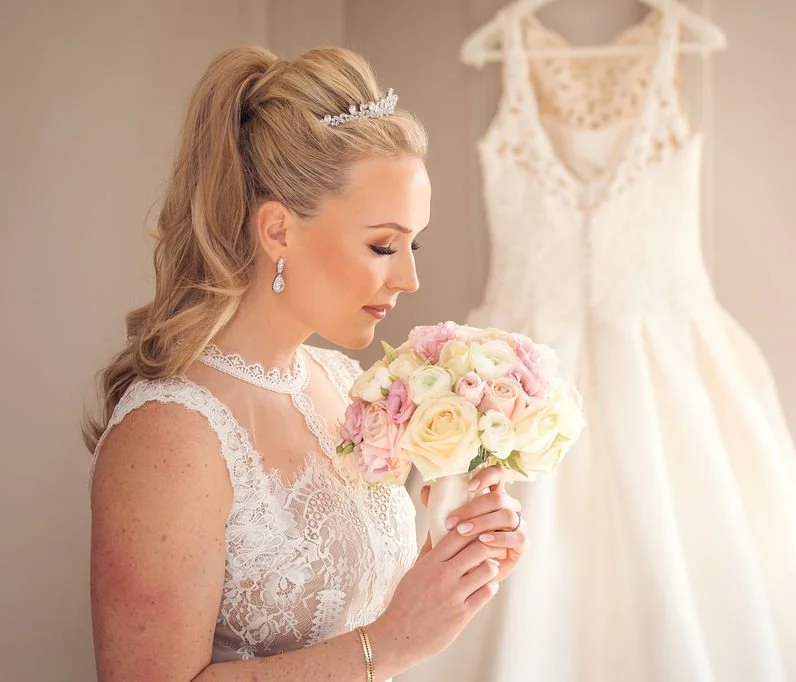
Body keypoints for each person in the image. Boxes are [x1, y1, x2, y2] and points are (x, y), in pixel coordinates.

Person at [84, 45, 527, 681]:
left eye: (415, 244)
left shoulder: (346, 385)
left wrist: (449, 560)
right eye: (384, 245)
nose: (409, 279)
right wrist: (390, 644)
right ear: (278, 231)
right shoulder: (169, 434)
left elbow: (354, 608)